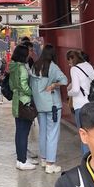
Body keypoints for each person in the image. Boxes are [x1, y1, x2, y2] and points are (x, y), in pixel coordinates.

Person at [30, 44, 67, 173]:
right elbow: (65, 80)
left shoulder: (34, 66)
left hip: (40, 105)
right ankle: (51, 164)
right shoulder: (53, 67)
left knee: (43, 132)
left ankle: (44, 159)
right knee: (52, 133)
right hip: (52, 105)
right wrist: (54, 85)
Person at [9, 44, 37, 170]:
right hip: (24, 101)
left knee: (19, 131)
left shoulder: (13, 67)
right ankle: (22, 160)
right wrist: (32, 93)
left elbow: (11, 85)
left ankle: (21, 157)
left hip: (16, 101)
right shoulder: (22, 68)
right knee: (23, 132)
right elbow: (24, 85)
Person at [67, 49, 94, 155]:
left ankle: (86, 163)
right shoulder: (91, 67)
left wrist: (69, 93)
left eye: (69, 61)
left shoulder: (74, 69)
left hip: (81, 105)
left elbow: (75, 90)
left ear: (72, 59)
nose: (69, 64)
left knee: (84, 136)